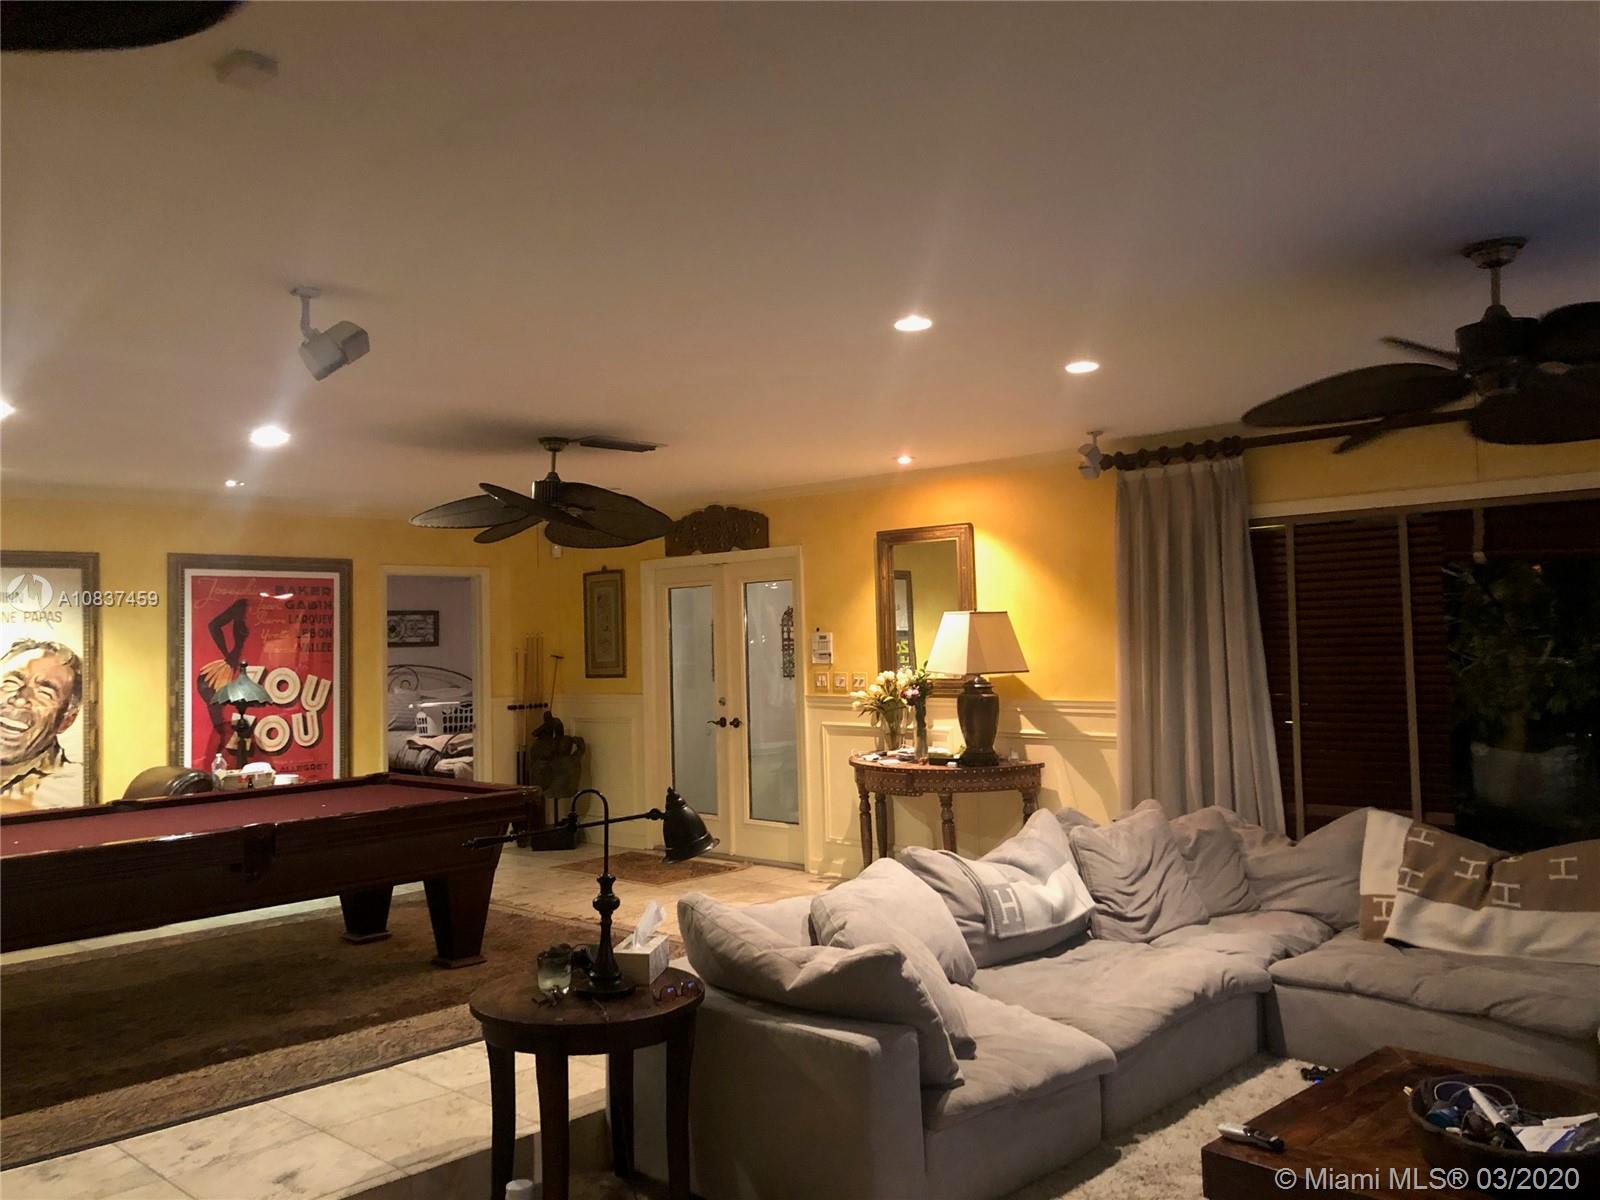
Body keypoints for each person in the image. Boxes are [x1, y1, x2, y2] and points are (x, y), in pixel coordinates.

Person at [0, 638, 85, 811]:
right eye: (11, 682)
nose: (20, 700)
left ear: (66, 721)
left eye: (45, 692)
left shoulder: (70, 783)